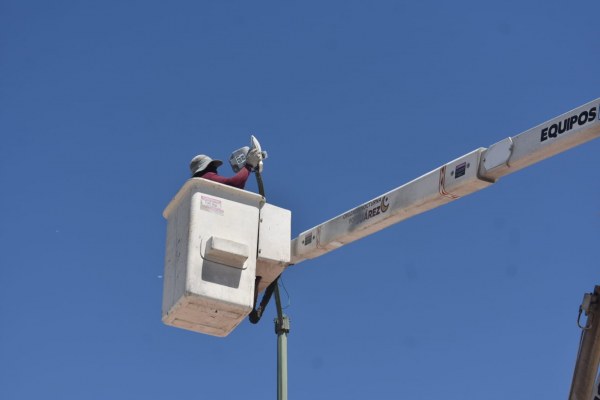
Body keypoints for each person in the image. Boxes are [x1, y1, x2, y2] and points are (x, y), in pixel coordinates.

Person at [189, 149, 261, 190]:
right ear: (205, 168)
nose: (215, 169)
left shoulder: (197, 187)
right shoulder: (207, 176)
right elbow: (235, 183)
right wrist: (249, 165)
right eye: (211, 165)